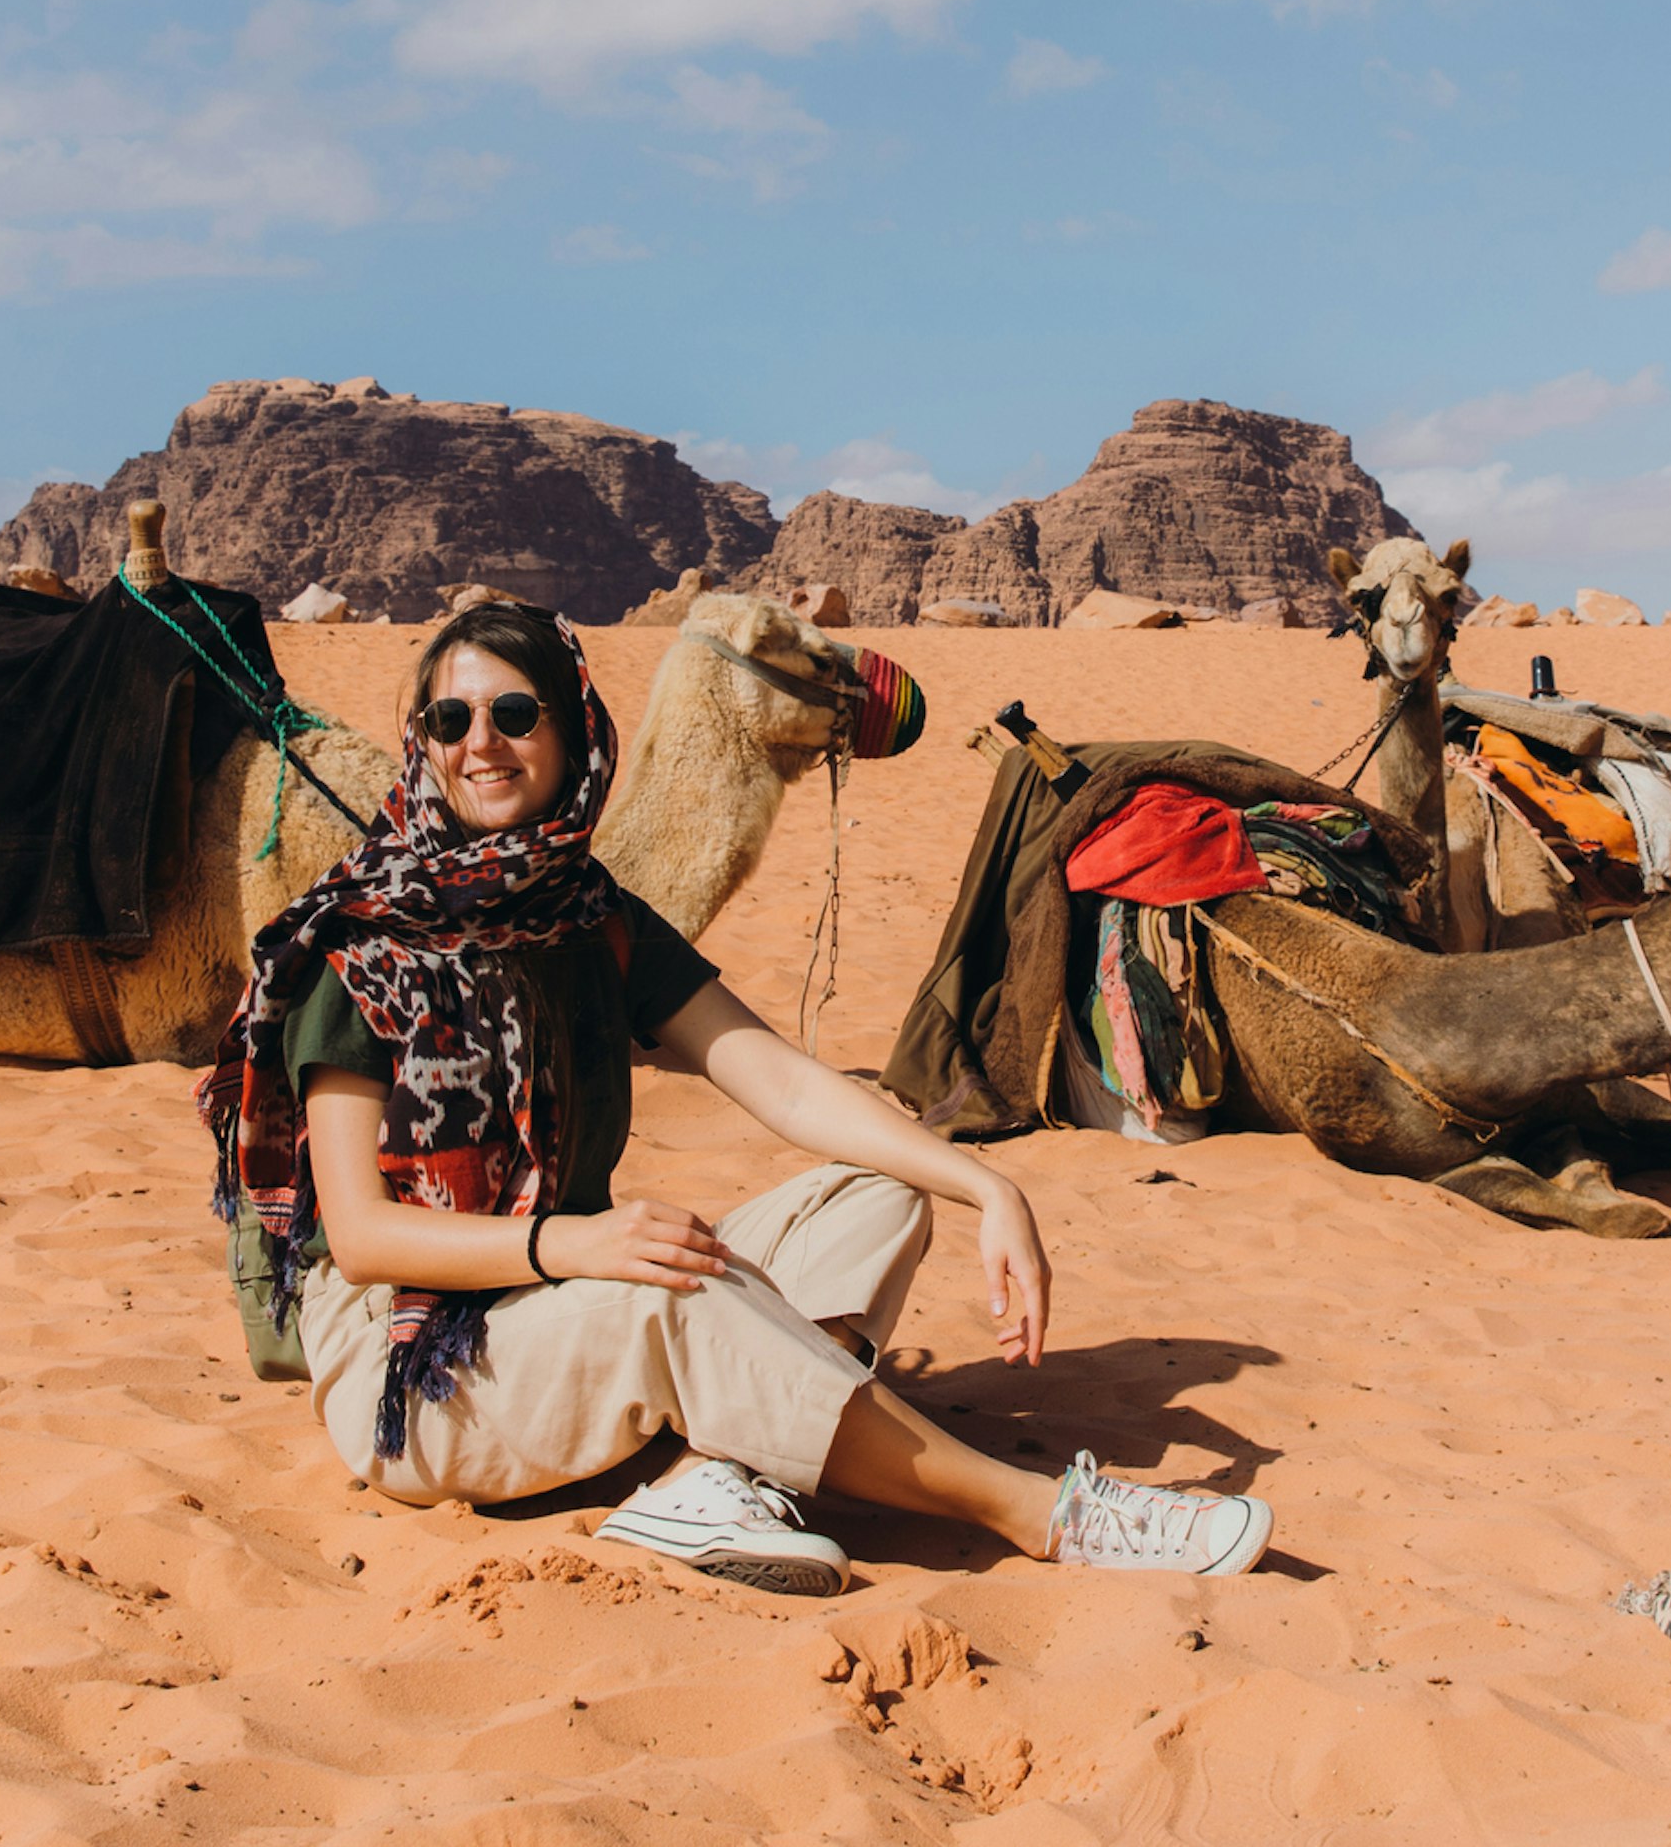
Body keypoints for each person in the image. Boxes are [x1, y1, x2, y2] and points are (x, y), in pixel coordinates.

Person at [202, 599, 1272, 1592]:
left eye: (515, 712)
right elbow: (362, 1237)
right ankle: (1049, 1514)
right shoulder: (364, 945)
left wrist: (983, 1185)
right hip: (421, 1364)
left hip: (565, 1302)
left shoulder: (588, 916)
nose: (481, 741)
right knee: (673, 1275)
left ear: (573, 730)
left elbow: (773, 1076)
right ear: (424, 743)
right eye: (451, 717)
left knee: (877, 1194)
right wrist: (570, 1248)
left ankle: (716, 1478)